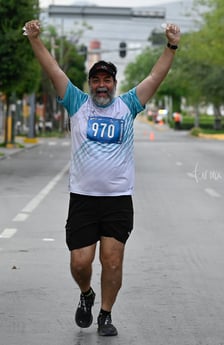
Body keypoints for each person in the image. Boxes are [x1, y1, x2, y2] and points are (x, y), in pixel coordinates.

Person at [24, 19, 181, 336]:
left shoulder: (128, 106)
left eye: (107, 80)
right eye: (95, 79)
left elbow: (155, 76)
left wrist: (171, 45)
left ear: (114, 83)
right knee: (80, 264)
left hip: (118, 200)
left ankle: (106, 315)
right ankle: (86, 294)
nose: (101, 85)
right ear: (89, 83)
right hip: (82, 198)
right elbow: (52, 68)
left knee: (112, 262)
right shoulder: (76, 102)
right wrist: (35, 39)